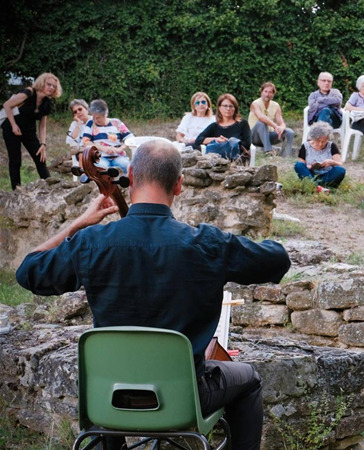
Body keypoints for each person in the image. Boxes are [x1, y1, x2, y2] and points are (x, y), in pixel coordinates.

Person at [16, 140, 291, 450]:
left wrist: (79, 224)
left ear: (131, 176)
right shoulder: (208, 244)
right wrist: (222, 246)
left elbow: (29, 270)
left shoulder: (91, 242)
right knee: (249, 379)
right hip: (184, 398)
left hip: (108, 396)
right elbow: (277, 259)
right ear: (179, 185)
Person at [2, 73, 61, 190]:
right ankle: (16, 190)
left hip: (29, 131)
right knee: (15, 160)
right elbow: (7, 105)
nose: (51, 88)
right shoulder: (29, 92)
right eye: (49, 84)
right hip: (11, 128)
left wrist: (43, 144)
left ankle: (50, 188)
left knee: (40, 157)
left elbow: (43, 126)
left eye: (54, 86)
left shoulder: (46, 103)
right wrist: (13, 125)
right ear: (42, 84)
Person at [82, 99, 135, 174]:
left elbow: (130, 138)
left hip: (118, 156)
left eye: (98, 118)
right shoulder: (90, 123)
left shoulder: (116, 123)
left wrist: (120, 149)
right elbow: (85, 142)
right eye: (93, 117)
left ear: (105, 114)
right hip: (100, 157)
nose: (95, 120)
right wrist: (103, 148)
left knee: (126, 166)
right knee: (100, 168)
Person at [194, 94, 251, 161]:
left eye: (231, 106)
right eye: (225, 106)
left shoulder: (242, 123)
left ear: (235, 109)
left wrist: (229, 142)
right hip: (217, 161)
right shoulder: (214, 126)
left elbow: (247, 144)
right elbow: (198, 140)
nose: (228, 109)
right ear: (219, 108)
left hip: (237, 159)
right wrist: (216, 139)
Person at [294, 121, 346, 191]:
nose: (320, 144)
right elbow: (302, 164)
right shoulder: (306, 146)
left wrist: (332, 162)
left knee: (340, 170)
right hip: (311, 175)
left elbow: (340, 163)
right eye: (318, 141)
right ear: (313, 138)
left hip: (326, 175)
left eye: (323, 141)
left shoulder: (331, 146)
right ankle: (318, 187)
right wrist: (310, 166)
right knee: (298, 165)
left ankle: (314, 187)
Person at [249, 82, 295, 157]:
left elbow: (282, 123)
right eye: (265, 91)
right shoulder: (255, 104)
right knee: (261, 123)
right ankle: (268, 152)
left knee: (289, 132)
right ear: (261, 92)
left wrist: (281, 128)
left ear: (273, 94)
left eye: (270, 92)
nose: (267, 94)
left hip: (268, 135)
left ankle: (285, 157)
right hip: (254, 136)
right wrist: (275, 126)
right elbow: (261, 117)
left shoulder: (276, 105)